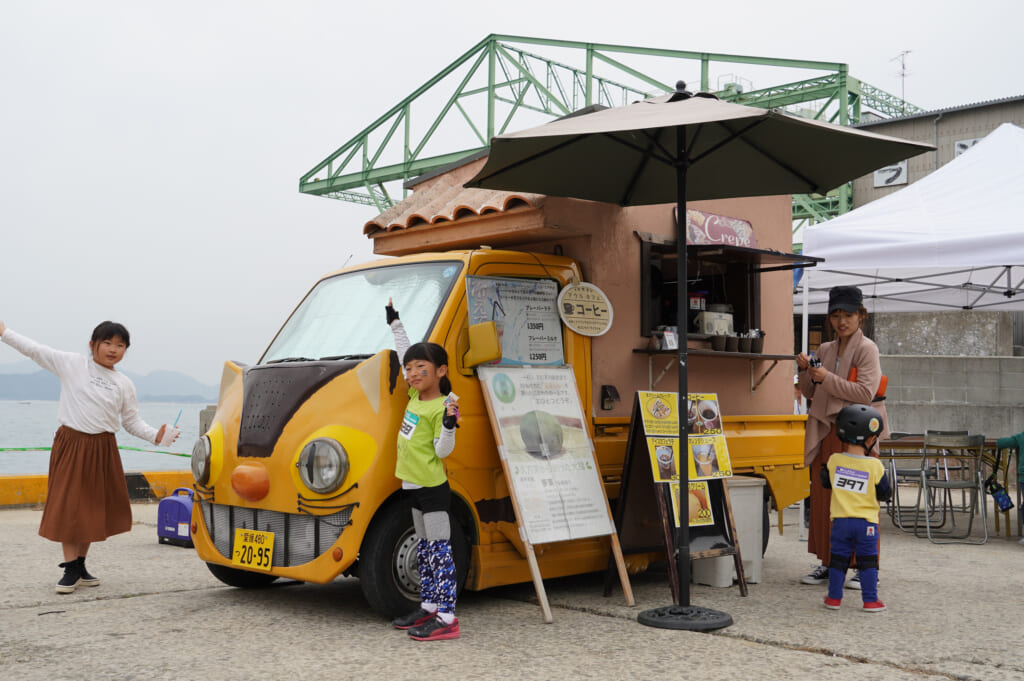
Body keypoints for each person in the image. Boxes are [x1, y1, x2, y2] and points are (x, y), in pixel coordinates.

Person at [0, 319, 178, 593]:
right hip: (72, 443)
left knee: (92, 509)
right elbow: (35, 350)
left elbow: (131, 422)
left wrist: (157, 436)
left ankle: (80, 564)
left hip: (104, 447)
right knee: (69, 505)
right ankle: (70, 568)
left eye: (120, 345)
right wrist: (4, 332)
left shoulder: (124, 383)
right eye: (107, 342)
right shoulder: (73, 364)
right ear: (93, 345)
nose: (113, 349)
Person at [795, 285, 890, 588]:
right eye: (836, 315)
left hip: (859, 434)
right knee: (825, 498)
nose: (842, 321)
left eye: (848, 314)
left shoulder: (867, 348)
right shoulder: (824, 350)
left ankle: (864, 565)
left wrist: (827, 378)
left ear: (861, 315)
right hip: (828, 431)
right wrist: (805, 373)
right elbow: (810, 393)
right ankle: (827, 561)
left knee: (860, 500)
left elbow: (865, 392)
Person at [385, 300, 461, 641]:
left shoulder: (443, 405)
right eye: (410, 369)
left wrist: (448, 425)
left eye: (422, 368)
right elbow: (406, 352)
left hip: (432, 489)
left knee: (439, 552)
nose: (413, 373)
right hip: (413, 487)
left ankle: (447, 618)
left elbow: (443, 451)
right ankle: (429, 607)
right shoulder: (415, 395)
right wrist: (395, 322)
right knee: (425, 549)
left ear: (440, 371)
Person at [820, 404, 891, 612]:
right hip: (867, 524)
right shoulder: (875, 466)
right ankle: (870, 600)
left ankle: (834, 599)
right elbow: (886, 492)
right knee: (868, 562)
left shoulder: (834, 460)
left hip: (840, 522)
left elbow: (826, 482)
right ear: (870, 439)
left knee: (838, 559)